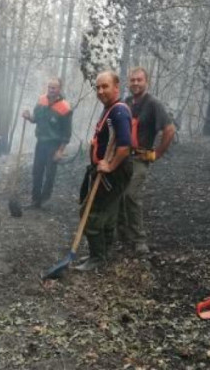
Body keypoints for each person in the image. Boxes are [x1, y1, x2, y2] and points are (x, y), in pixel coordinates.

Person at [75, 71, 133, 272]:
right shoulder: (109, 109)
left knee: (90, 212)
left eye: (105, 86)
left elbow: (125, 146)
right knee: (108, 214)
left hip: (113, 172)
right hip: (107, 169)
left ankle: (97, 257)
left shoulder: (119, 111)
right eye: (98, 87)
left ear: (116, 86)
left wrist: (110, 165)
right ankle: (104, 253)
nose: (100, 91)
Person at [118, 67, 176, 255]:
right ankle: (122, 233)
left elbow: (169, 130)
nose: (135, 83)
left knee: (131, 195)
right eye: (132, 80)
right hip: (122, 157)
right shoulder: (126, 102)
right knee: (118, 195)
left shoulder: (153, 104)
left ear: (146, 82)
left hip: (140, 159)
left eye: (139, 80)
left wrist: (157, 153)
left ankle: (139, 239)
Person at [21, 78, 72, 208]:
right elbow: (35, 119)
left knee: (50, 174)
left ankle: (44, 200)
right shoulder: (41, 100)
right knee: (37, 171)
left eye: (54, 88)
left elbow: (66, 133)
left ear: (59, 89)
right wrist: (28, 117)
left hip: (54, 145)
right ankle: (35, 200)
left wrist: (60, 151)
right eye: (49, 87)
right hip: (41, 142)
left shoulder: (65, 107)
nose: (51, 90)